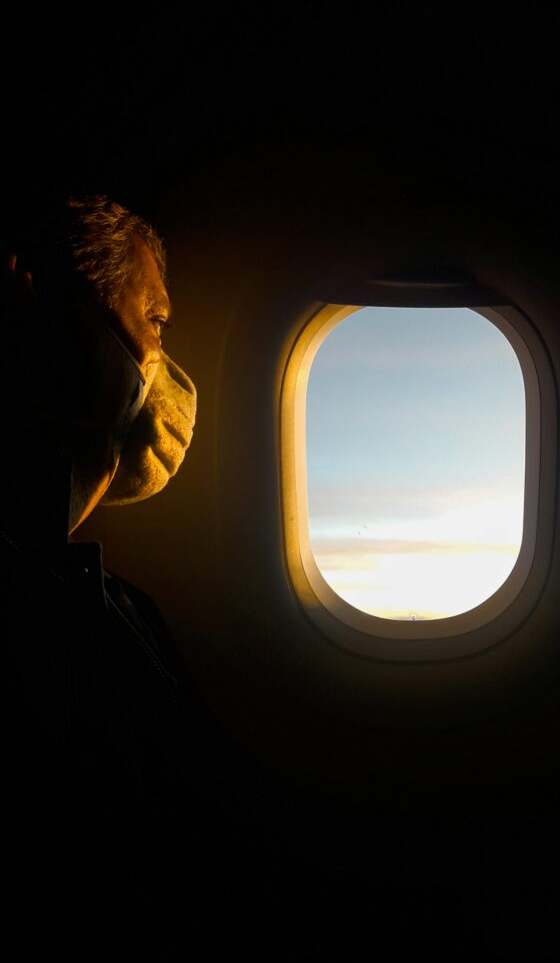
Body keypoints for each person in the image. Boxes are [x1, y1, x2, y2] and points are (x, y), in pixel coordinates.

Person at [2, 196, 285, 951]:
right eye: (154, 322)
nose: (162, 359)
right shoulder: (47, 621)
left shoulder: (97, 599)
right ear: (33, 306)